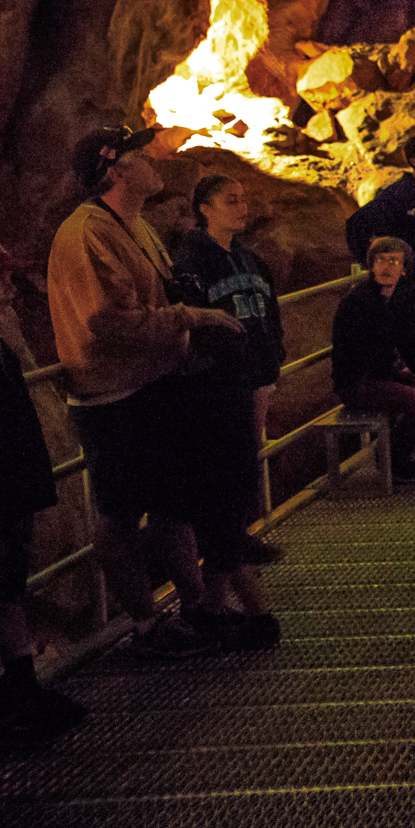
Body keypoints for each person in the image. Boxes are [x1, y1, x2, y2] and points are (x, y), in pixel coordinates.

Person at [48, 124, 245, 659]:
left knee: (172, 503)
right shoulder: (90, 231)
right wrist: (192, 316)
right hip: (114, 398)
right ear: (115, 171)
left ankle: (197, 607)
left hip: (151, 387)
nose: (155, 157)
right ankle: (145, 623)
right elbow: (108, 321)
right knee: (120, 511)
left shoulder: (132, 224)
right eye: (141, 153)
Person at [168, 175, 285, 649]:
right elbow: (190, 328)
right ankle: (257, 613)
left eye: (243, 200)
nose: (242, 207)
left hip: (247, 387)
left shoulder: (249, 259)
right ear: (204, 208)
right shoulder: (192, 261)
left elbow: (269, 316)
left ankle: (211, 611)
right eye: (230, 201)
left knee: (233, 492)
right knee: (222, 501)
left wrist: (270, 370)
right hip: (212, 395)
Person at [0, 236, 88, 743]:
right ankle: (4, 702)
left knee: (6, 593)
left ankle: (23, 688)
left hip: (6, 487)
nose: (7, 288)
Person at [331, 236, 415, 484]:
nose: (387, 267)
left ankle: (403, 454)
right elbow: (372, 359)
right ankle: (395, 460)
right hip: (357, 382)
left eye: (394, 261)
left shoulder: (396, 299)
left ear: (404, 270)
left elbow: (410, 345)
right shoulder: (361, 302)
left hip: (377, 377)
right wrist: (408, 378)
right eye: (381, 260)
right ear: (371, 265)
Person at [345, 133, 415, 336]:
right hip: (413, 284)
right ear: (413, 161)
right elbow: (356, 224)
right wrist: (372, 264)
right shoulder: (397, 195)